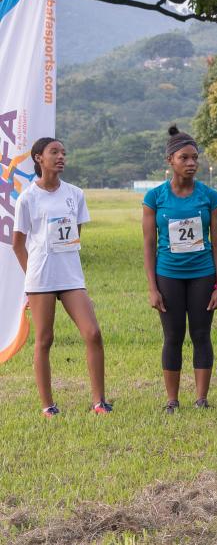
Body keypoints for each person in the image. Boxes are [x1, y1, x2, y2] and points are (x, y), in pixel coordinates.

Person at [13, 137, 111, 417]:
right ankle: (48, 406)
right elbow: (17, 244)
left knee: (92, 333)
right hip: (40, 278)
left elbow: (74, 235)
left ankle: (99, 402)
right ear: (38, 158)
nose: (60, 157)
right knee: (44, 339)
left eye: (63, 153)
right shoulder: (27, 198)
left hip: (70, 277)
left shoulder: (75, 194)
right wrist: (30, 280)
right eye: (54, 152)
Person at [142, 126, 217, 413]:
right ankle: (172, 400)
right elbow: (149, 245)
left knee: (201, 334)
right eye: (184, 158)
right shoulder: (155, 198)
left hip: (203, 274)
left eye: (195, 158)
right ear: (170, 161)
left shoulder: (210, 197)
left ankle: (201, 398)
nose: (191, 163)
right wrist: (153, 288)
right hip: (169, 276)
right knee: (173, 336)